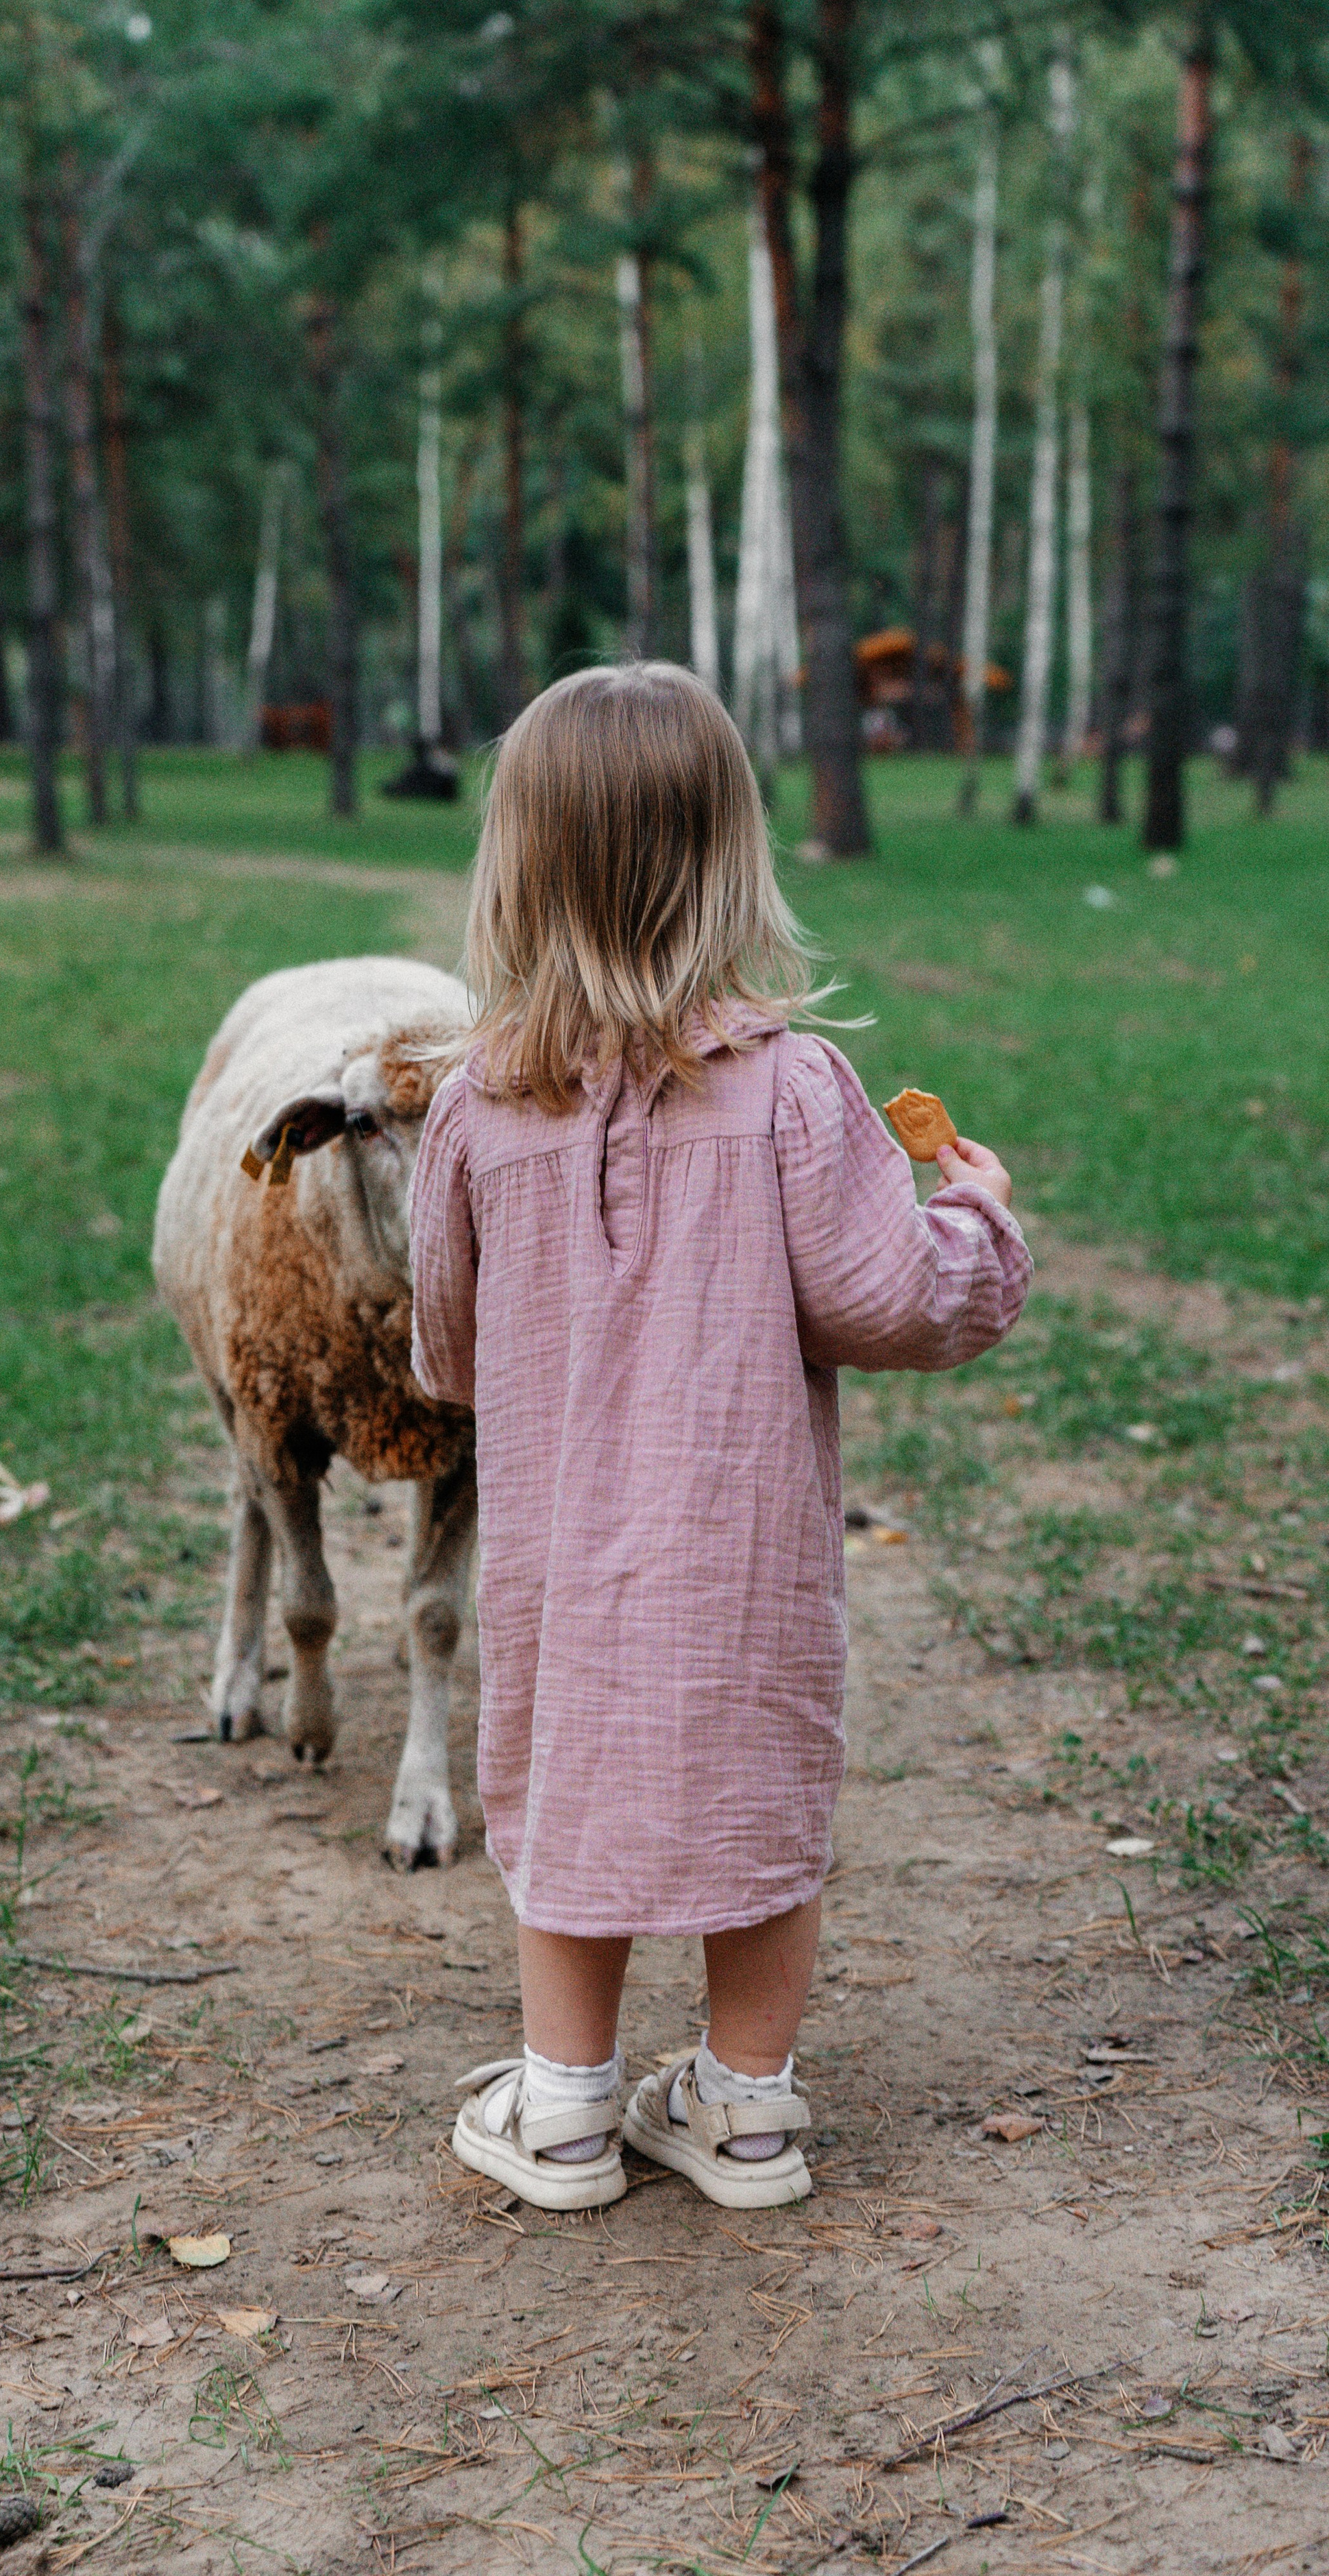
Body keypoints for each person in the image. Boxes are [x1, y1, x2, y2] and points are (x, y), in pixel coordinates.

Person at [408, 662, 1031, 2213]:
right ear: (730, 859)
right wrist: (974, 1213)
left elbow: (446, 1344)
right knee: (754, 1784)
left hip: (560, 1546)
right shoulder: (792, 1091)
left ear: (512, 867)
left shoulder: (474, 1112)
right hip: (737, 1545)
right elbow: (892, 1302)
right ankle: (745, 2115)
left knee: (563, 1782)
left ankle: (560, 2113)